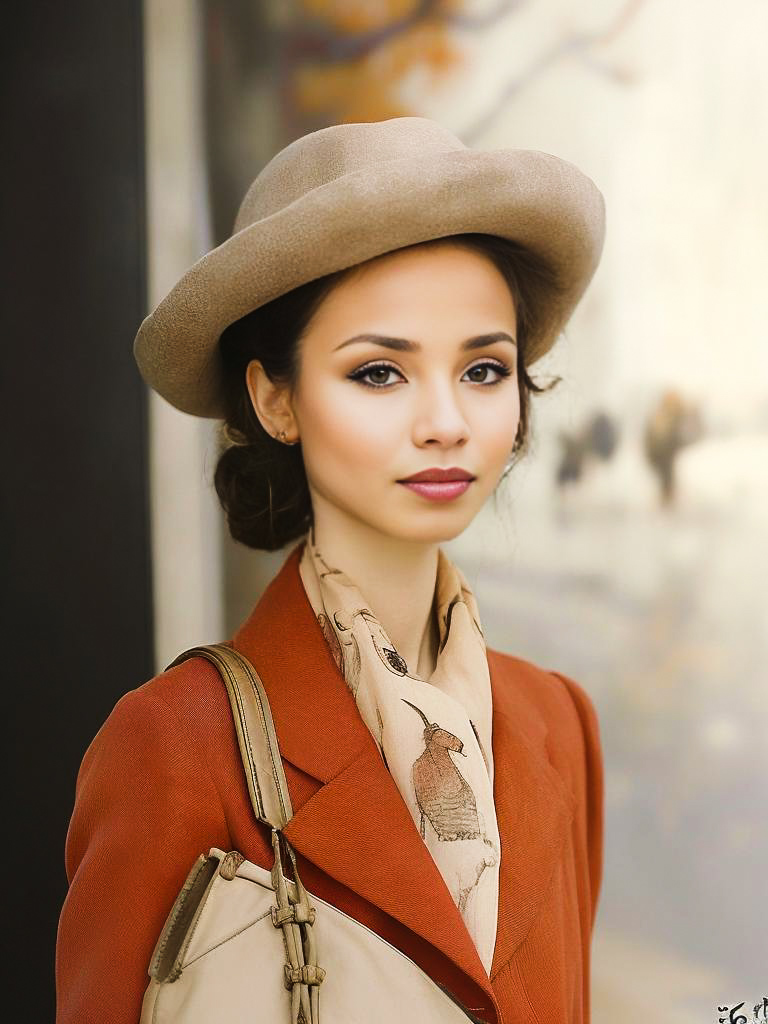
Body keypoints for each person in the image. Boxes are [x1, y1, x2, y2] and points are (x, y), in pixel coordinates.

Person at [55, 116, 606, 1024]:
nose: (445, 422)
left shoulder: (557, 724)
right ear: (275, 398)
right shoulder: (174, 749)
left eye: (483, 368)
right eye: (381, 373)